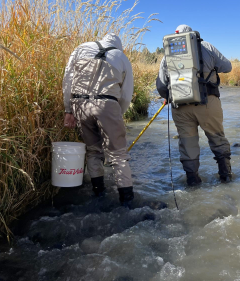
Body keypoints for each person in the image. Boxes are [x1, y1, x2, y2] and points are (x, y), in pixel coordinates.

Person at [63, 33, 166, 210]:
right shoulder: (121, 57)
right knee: (118, 156)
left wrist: (68, 110)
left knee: (93, 151)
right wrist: (119, 114)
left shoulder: (80, 49)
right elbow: (126, 95)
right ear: (118, 46)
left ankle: (99, 194)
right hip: (107, 105)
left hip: (79, 105)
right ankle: (127, 203)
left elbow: (67, 81)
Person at [156, 25, 233, 185]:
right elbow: (228, 67)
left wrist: (168, 96)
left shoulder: (167, 54)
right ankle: (225, 178)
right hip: (207, 102)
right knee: (217, 138)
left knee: (187, 143)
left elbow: (162, 85)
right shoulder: (207, 46)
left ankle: (193, 181)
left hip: (180, 107)